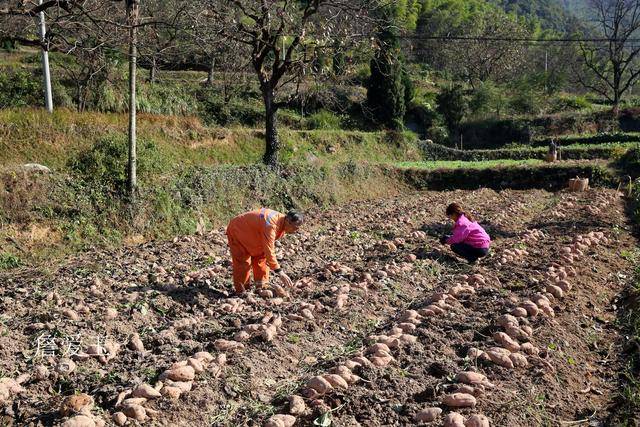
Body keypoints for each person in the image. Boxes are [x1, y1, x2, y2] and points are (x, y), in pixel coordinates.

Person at [226, 208, 304, 294]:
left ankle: (261, 287)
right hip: (238, 229)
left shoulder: (282, 223)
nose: (296, 231)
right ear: (288, 221)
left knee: (261, 257)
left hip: (253, 235)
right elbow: (269, 250)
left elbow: (266, 248)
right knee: (243, 262)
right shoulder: (271, 224)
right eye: (295, 227)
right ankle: (242, 291)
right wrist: (279, 272)